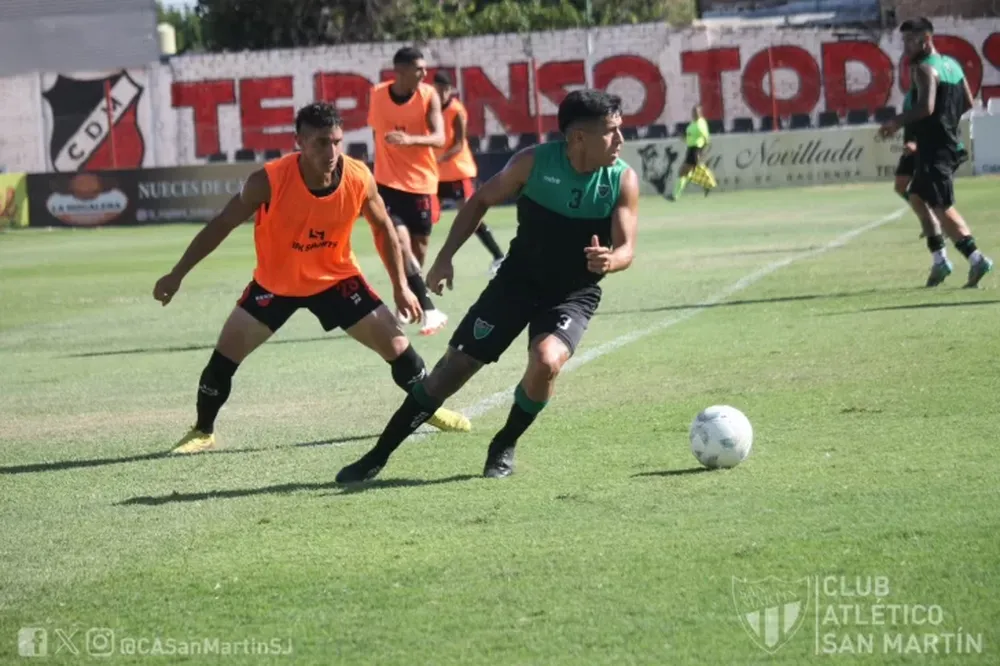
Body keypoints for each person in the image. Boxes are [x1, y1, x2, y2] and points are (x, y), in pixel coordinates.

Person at [336, 90, 639, 483]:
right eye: (611, 132)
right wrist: (445, 257)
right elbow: (479, 201)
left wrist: (611, 260)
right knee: (451, 371)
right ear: (578, 137)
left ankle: (504, 444)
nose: (621, 141)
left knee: (547, 362)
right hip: (516, 282)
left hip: (572, 293)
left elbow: (628, 247)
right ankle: (378, 455)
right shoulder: (531, 163)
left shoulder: (621, 179)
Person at [152, 103, 471, 455]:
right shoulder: (268, 180)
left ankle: (429, 408)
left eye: (336, 141)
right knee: (223, 359)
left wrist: (399, 287)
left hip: (337, 280)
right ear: (299, 142)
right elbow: (223, 223)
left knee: (398, 348)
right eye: (320, 143)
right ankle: (203, 430)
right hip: (276, 285)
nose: (331, 152)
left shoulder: (358, 176)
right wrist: (178, 273)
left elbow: (383, 229)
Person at [879, 17, 993, 288]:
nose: (905, 46)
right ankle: (940, 259)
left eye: (910, 40)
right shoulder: (952, 65)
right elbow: (966, 101)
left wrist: (897, 122)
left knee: (941, 206)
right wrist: (947, 121)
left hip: (934, 145)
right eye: (903, 40)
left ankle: (976, 258)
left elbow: (926, 108)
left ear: (926, 39)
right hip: (945, 142)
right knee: (916, 194)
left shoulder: (924, 69)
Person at [369, 46, 449, 335]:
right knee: (399, 244)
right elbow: (376, 133)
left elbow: (440, 138)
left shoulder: (429, 96)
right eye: (419, 69)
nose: (426, 73)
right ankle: (428, 308)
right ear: (400, 72)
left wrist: (409, 139)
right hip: (387, 184)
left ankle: (407, 298)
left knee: (417, 250)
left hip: (422, 184)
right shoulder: (377, 95)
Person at [431, 71, 506, 277]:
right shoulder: (430, 109)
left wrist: (439, 158)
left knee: (469, 216)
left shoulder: (456, 110)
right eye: (436, 90)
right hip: (435, 174)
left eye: (443, 90)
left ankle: (499, 255)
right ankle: (416, 266)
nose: (439, 94)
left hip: (457, 171)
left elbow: (458, 144)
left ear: (448, 90)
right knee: (425, 217)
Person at [668, 105, 717, 201]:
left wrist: (703, 152)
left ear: (700, 113)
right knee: (687, 172)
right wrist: (682, 137)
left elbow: (707, 140)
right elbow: (689, 139)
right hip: (690, 149)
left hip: (696, 150)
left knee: (684, 172)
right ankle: (708, 184)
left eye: (697, 112)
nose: (695, 114)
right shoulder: (692, 124)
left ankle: (675, 196)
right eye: (694, 112)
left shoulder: (701, 124)